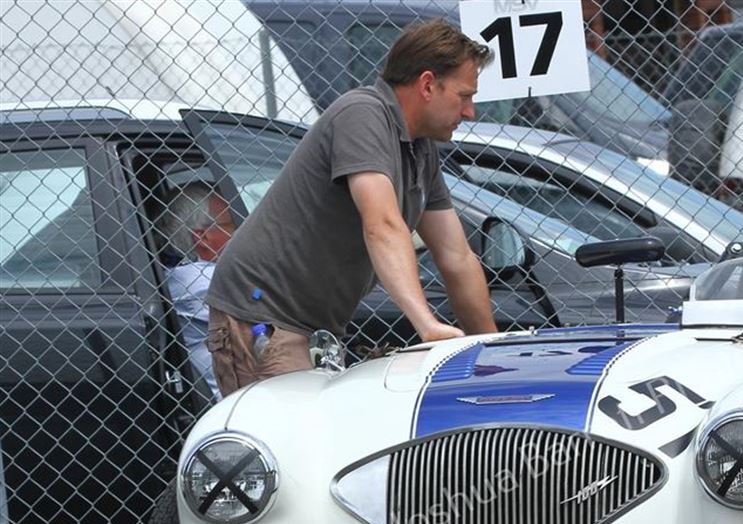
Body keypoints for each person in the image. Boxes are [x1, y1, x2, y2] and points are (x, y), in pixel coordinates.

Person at [205, 19, 497, 397]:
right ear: (427, 84)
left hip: (313, 326)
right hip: (264, 315)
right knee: (292, 443)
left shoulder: (419, 149)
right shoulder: (362, 115)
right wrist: (427, 325)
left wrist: (493, 352)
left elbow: (457, 257)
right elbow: (382, 224)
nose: (471, 111)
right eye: (464, 96)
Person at [158, 181, 236, 400]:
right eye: (233, 224)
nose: (242, 229)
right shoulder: (202, 282)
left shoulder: (175, 273)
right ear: (203, 237)